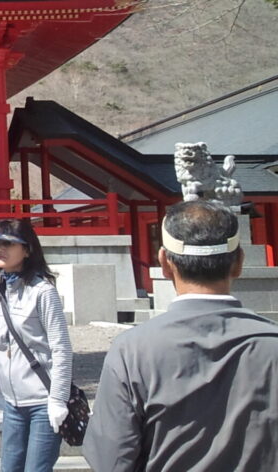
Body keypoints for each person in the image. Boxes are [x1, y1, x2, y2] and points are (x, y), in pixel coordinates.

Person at [84, 200, 278, 472]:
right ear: (239, 262)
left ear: (164, 262)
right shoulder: (272, 344)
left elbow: (111, 459)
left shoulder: (133, 349)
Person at [0, 218, 73, 472]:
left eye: (9, 243)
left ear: (28, 249)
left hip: (43, 402)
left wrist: (58, 399)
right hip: (13, 404)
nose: (0, 249)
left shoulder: (43, 292)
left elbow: (61, 349)